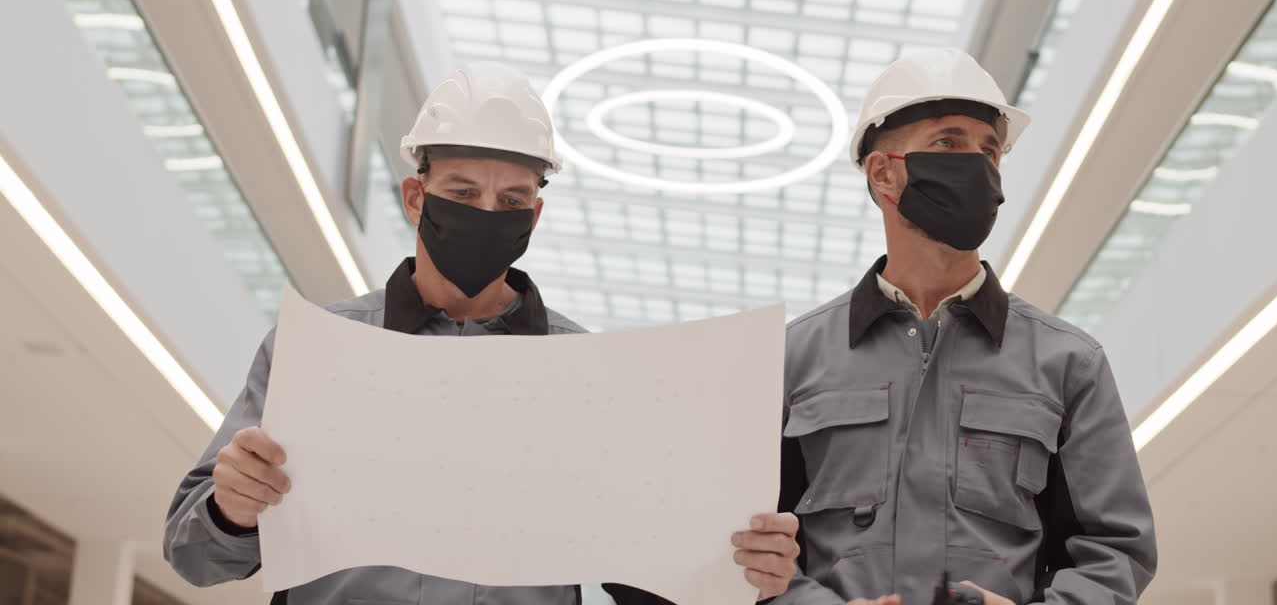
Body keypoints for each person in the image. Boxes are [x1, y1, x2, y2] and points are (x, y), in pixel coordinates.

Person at [162, 63, 801, 604]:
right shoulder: (315, 349)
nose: (486, 215)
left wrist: (743, 570)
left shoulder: (591, 373)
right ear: (416, 197)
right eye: (462, 192)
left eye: (512, 200)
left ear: (536, 214)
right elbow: (194, 555)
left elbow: (644, 565)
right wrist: (233, 508)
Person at [775, 49, 1156, 605]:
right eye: (949, 143)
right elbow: (749, 547)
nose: (977, 165)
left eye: (989, 149)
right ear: (884, 172)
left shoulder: (1068, 362)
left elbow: (1117, 550)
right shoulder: (794, 358)